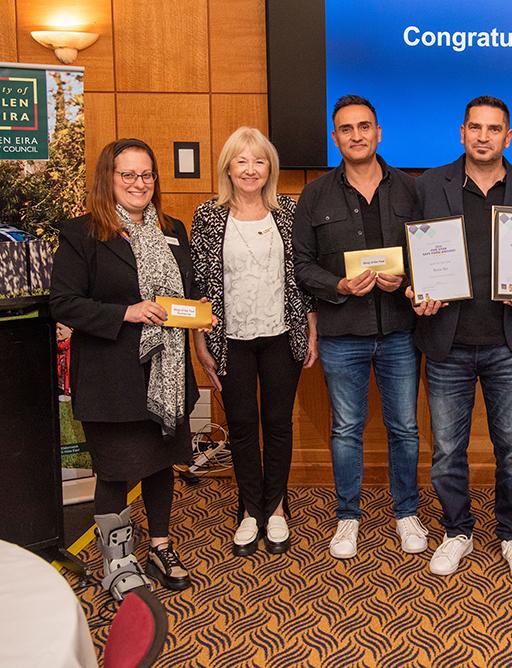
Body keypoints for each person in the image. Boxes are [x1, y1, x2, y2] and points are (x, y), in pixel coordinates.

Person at [50, 138, 208, 600]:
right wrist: (126, 313)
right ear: (109, 179)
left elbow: (187, 290)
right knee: (116, 471)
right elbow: (64, 302)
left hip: (167, 376)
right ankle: (117, 562)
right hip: (111, 378)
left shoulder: (172, 228)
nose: (139, 183)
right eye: (128, 175)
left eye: (146, 175)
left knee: (160, 465)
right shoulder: (83, 233)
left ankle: (159, 545)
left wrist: (196, 311)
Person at [405, 95, 512, 582]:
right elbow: (413, 250)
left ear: (508, 137)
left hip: (509, 342)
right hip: (448, 341)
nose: (484, 136)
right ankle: (456, 530)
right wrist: (413, 288)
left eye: (494, 129)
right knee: (447, 450)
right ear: (461, 133)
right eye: (475, 127)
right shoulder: (429, 185)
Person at [293, 96, 425, 559]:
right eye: (346, 129)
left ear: (378, 132)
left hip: (400, 332)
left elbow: (431, 253)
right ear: (336, 138)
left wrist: (408, 276)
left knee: (405, 428)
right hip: (341, 332)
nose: (356, 135)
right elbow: (302, 265)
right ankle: (348, 518)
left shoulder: (412, 189)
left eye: (364, 126)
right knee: (346, 428)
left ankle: (406, 512)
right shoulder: (314, 195)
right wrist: (340, 285)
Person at [190, 127, 318, 557]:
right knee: (243, 427)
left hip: (282, 335)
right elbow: (200, 285)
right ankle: (249, 511)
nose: (250, 169)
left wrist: (311, 328)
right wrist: (200, 341)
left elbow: (303, 278)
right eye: (241, 161)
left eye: (258, 161)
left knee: (279, 425)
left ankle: (276, 507)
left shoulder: (289, 211)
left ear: (270, 168)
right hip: (231, 339)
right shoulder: (207, 216)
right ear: (229, 166)